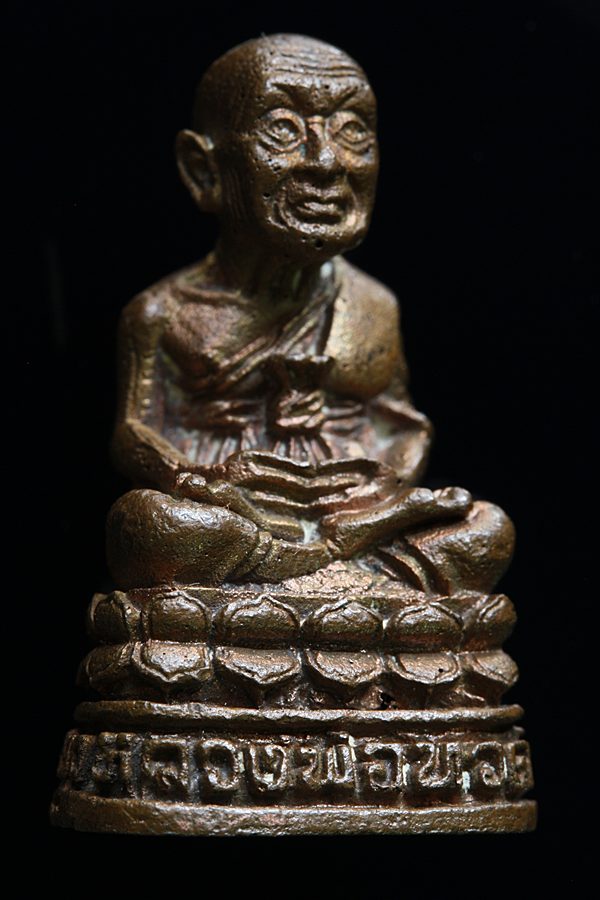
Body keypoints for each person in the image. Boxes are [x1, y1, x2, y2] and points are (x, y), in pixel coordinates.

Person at [107, 33, 514, 595]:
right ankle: (318, 573)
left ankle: (315, 572)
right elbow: (133, 431)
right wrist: (196, 479)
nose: (326, 163)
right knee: (153, 524)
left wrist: (375, 489)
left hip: (356, 512)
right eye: (283, 130)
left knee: (487, 529)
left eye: (352, 132)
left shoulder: (373, 306)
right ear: (204, 171)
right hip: (235, 511)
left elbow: (401, 424)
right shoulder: (163, 312)